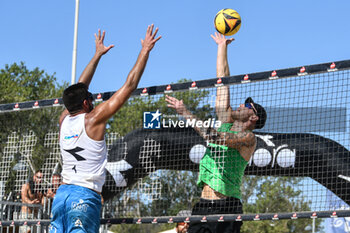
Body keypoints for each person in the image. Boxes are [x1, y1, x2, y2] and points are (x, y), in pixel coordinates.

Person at [50, 25, 161, 233]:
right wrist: (145, 50)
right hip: (84, 196)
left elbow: (78, 88)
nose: (92, 100)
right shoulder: (93, 120)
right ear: (85, 103)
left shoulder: (63, 119)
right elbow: (129, 85)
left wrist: (97, 55)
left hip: (61, 196)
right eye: (90, 98)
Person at [165, 32, 267, 233]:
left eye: (247, 105)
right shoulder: (224, 121)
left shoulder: (248, 138)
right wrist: (222, 46)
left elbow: (216, 138)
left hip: (227, 207)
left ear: (253, 118)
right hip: (203, 204)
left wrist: (185, 112)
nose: (240, 104)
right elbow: (223, 82)